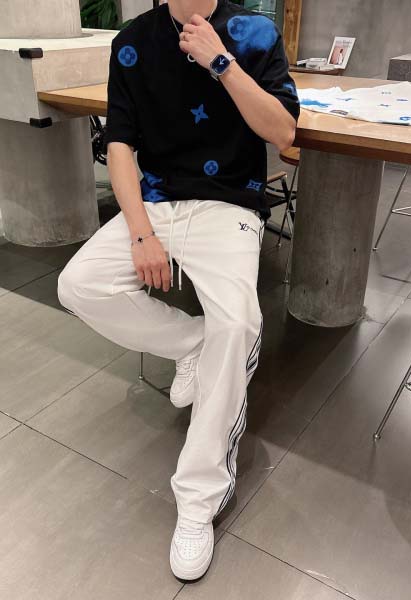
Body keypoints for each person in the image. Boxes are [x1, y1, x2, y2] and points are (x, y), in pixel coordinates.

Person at [57, 0, 299, 582]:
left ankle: (197, 497)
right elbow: (120, 144)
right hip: (158, 202)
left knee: (237, 326)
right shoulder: (132, 41)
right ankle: (192, 343)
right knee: (79, 285)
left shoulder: (253, 32)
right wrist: (140, 232)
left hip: (230, 204)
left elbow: (283, 131)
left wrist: (221, 62)